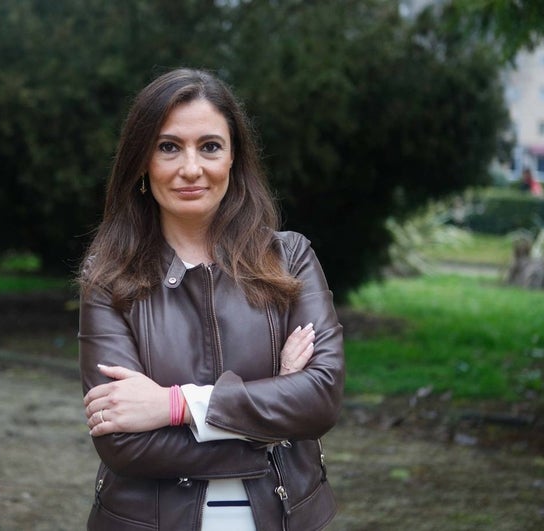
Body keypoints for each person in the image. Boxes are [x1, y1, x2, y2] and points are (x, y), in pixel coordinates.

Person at [78, 68, 345, 530]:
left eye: (210, 146)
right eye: (168, 147)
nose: (191, 168)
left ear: (233, 157)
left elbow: (320, 399)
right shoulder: (108, 276)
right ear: (142, 161)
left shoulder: (290, 257)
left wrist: (174, 406)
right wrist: (273, 419)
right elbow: (123, 443)